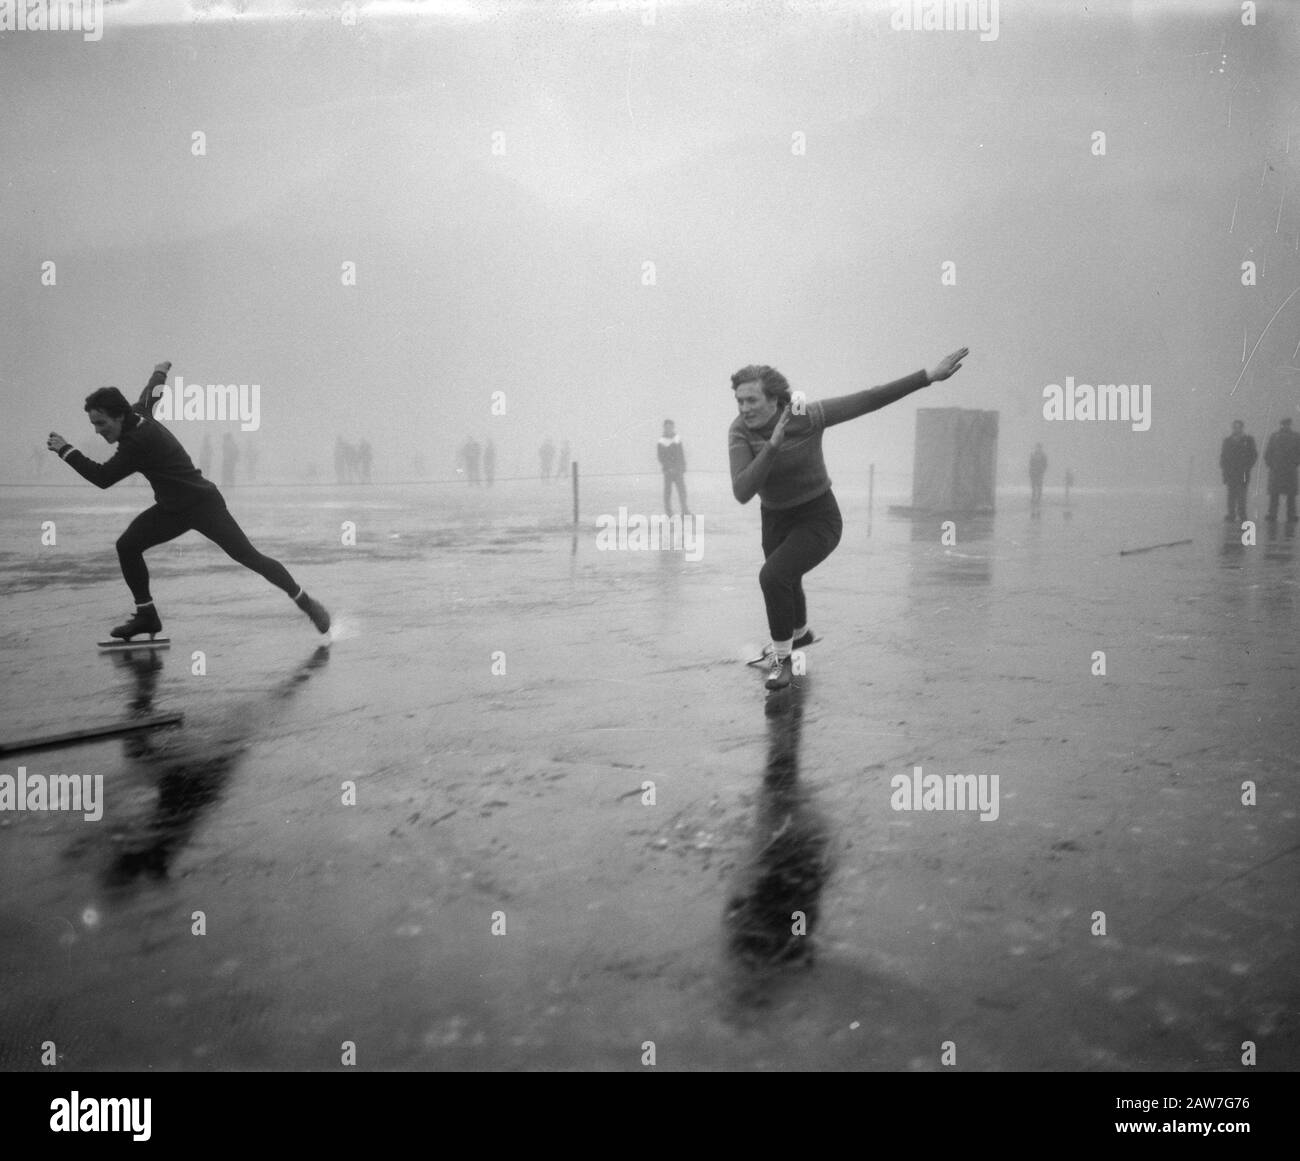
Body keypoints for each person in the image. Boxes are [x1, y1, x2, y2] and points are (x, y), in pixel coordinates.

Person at [730, 348, 968, 690]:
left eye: (752, 400)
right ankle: (799, 634)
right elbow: (742, 491)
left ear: (775, 400)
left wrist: (927, 377)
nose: (744, 409)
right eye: (739, 401)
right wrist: (771, 447)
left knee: (774, 576)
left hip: (818, 517)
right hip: (775, 519)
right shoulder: (740, 431)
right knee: (786, 575)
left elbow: (869, 399)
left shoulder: (807, 416)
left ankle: (783, 662)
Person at [47, 362, 331, 641]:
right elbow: (152, 393)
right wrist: (160, 371)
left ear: (120, 416)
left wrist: (66, 450)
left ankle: (307, 603)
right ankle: (147, 615)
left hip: (204, 505)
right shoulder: (138, 413)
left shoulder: (138, 442)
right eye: (94, 424)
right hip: (173, 509)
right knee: (128, 546)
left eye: (101, 423)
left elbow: (103, 477)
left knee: (248, 556)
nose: (98, 430)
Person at [1219, 419, 1257, 523]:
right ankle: (1231, 514)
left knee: (1242, 494)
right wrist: (1224, 468)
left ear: (1242, 428)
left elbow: (1253, 455)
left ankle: (1242, 514)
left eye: (1238, 427)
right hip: (1230, 472)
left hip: (1243, 472)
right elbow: (1223, 456)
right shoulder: (1227, 441)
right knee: (1231, 495)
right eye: (1235, 427)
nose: (1236, 429)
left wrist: (1247, 466)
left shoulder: (1248, 440)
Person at [1263, 416, 1300, 523]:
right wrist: (1271, 464)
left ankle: (1291, 515)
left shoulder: (1296, 437)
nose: (1285, 426)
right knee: (1274, 495)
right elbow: (1268, 452)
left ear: (1289, 425)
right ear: (1281, 424)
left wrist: (1295, 463)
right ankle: (1272, 515)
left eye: (1287, 424)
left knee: (1291, 496)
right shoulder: (1274, 437)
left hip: (1289, 470)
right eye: (1284, 424)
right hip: (1277, 469)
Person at [657, 420, 689, 516]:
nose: (669, 429)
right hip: (668, 472)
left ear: (673, 427)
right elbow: (661, 457)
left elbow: (681, 454)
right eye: (667, 427)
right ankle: (668, 512)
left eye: (670, 427)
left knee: (682, 491)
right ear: (664, 428)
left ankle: (685, 510)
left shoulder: (677, 439)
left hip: (678, 470)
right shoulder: (661, 442)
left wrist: (683, 466)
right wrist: (668, 467)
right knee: (668, 492)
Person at [1029, 443, 1047, 514]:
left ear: (1041, 448)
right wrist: (1030, 471)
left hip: (1039, 472)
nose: (1037, 448)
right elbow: (1030, 463)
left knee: (1039, 485)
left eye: (1039, 447)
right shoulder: (1033, 454)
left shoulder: (1043, 455)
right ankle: (1033, 497)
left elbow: (1045, 464)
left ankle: (1038, 497)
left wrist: (1042, 470)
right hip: (1033, 472)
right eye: (1037, 447)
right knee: (1033, 485)